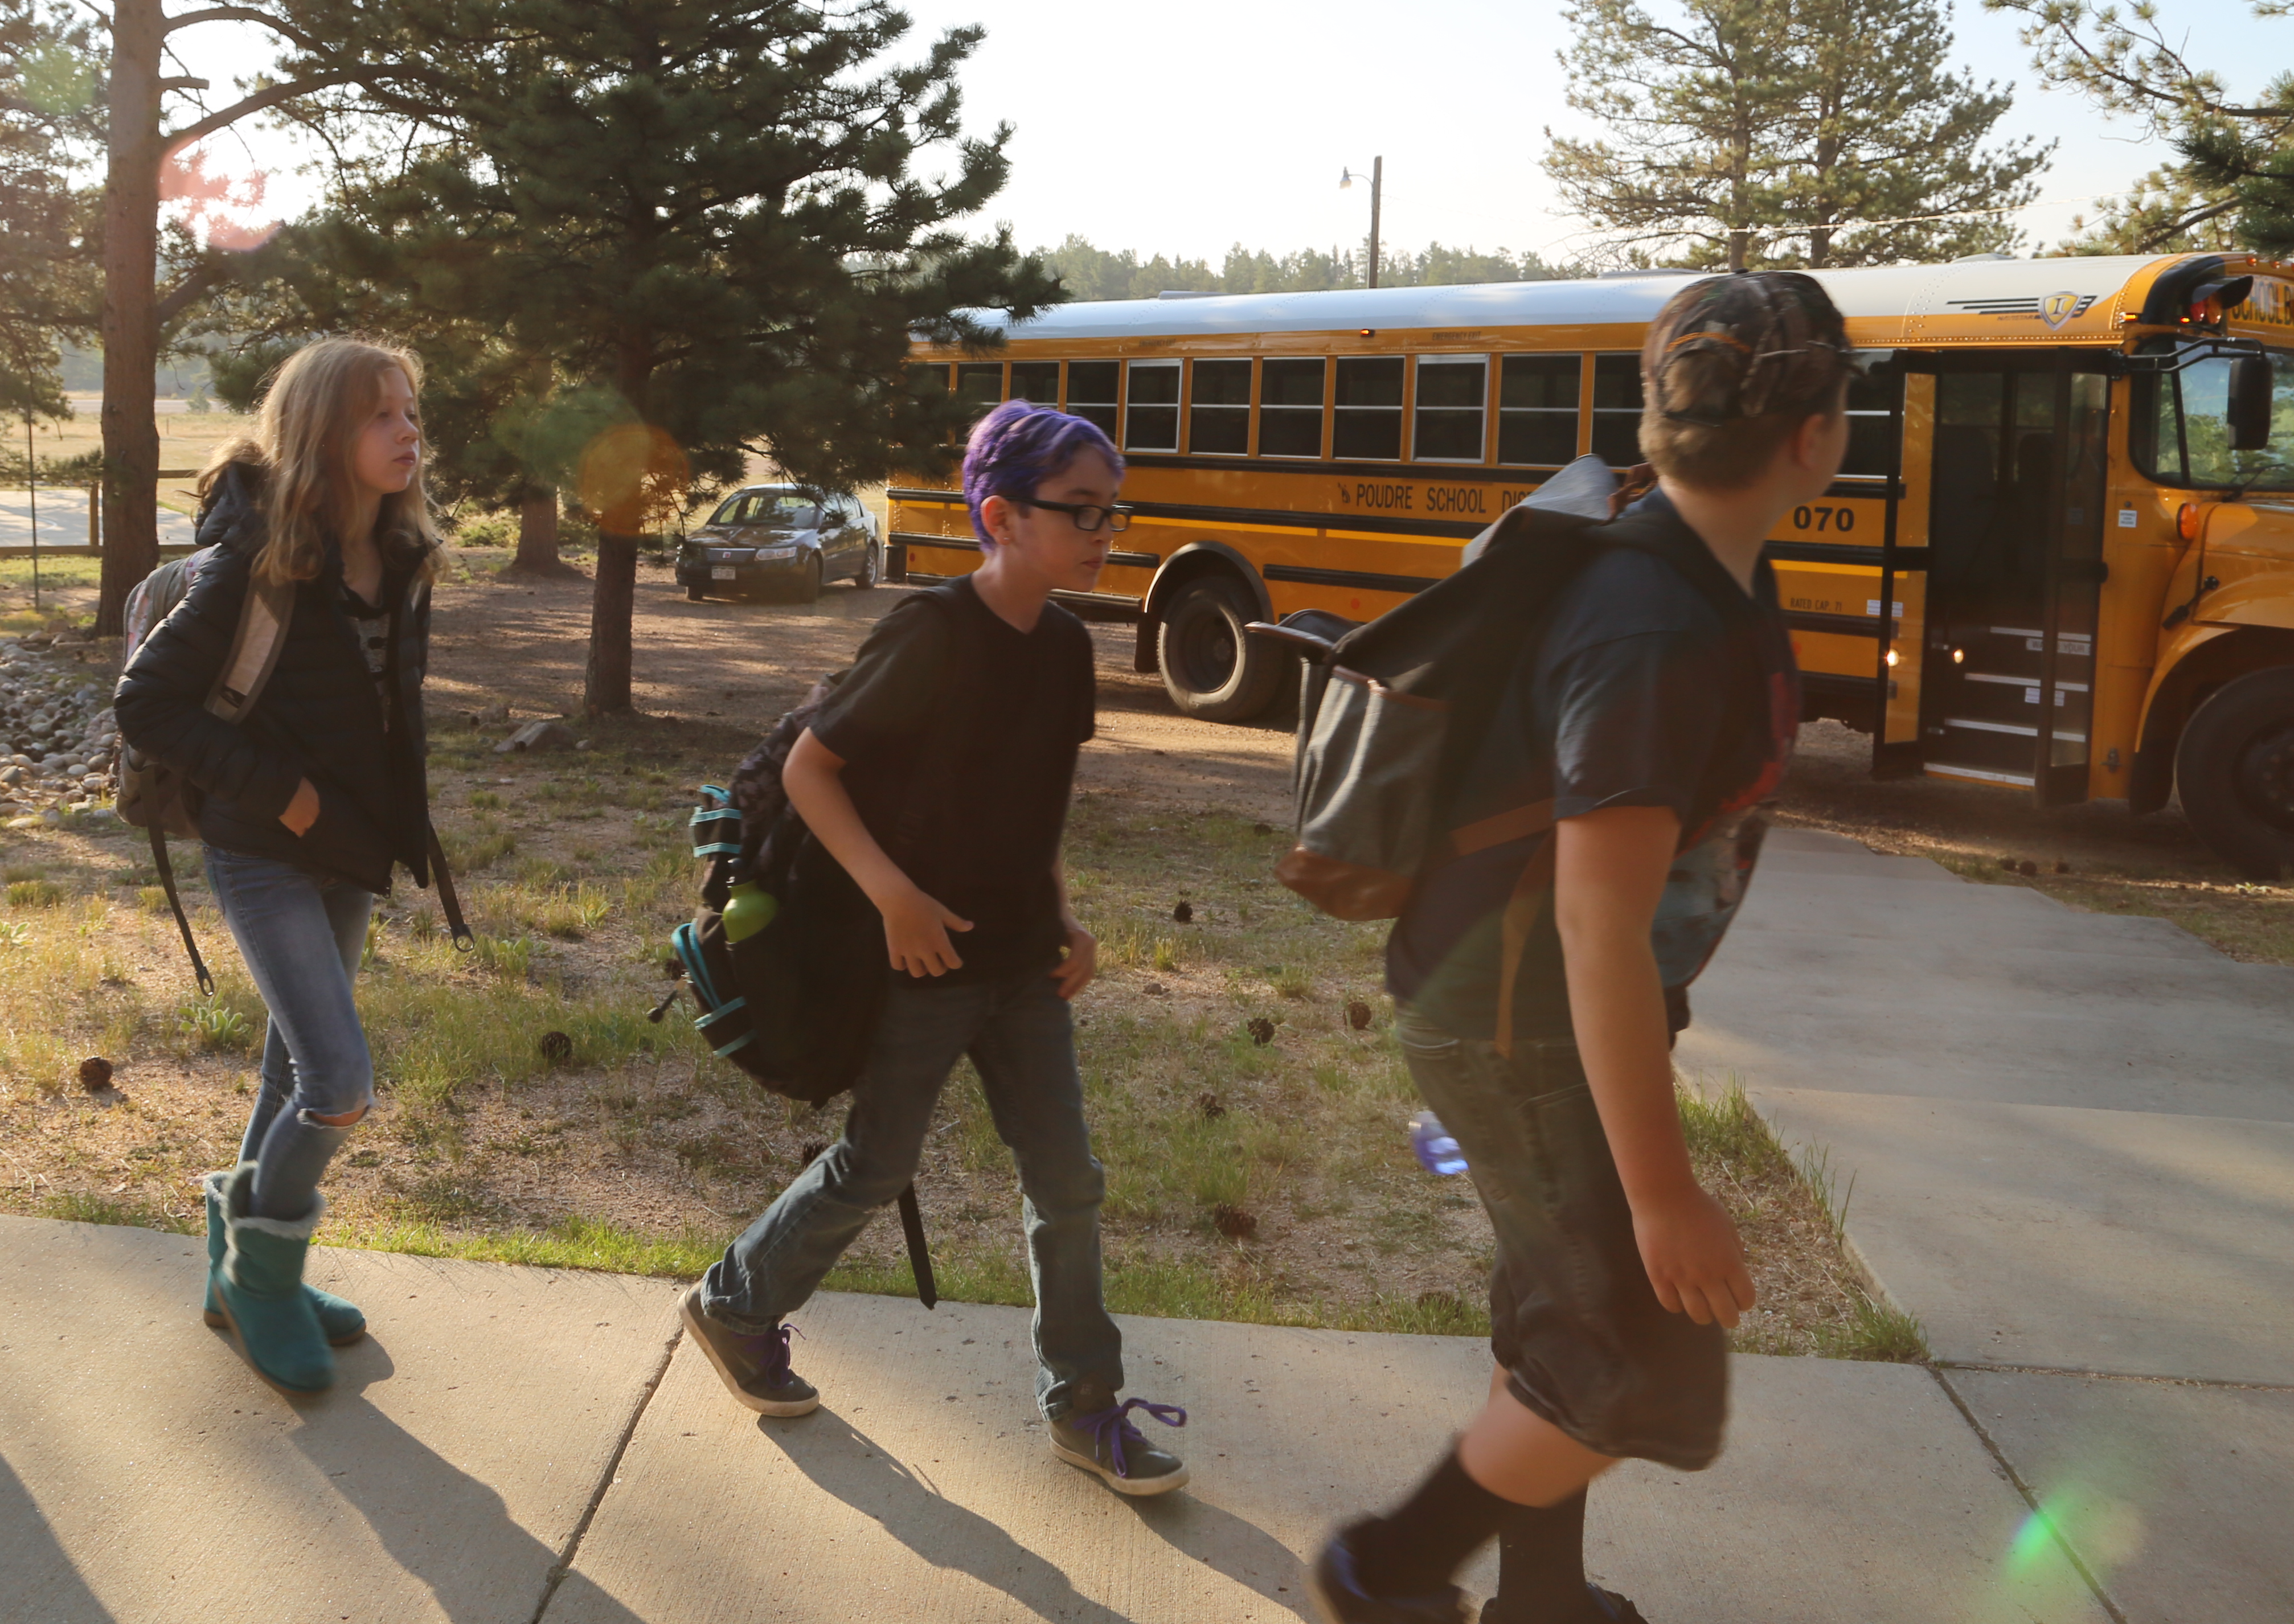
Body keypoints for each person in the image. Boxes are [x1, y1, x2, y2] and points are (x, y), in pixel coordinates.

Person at [1310, 273, 1849, 1624]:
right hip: (1518, 1011)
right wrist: (1666, 1194)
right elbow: (1593, 922)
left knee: (1569, 1321)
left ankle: (1540, 1598)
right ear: (1817, 433)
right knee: (1640, 1366)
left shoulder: (1699, 557)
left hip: (1536, 998)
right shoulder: (1652, 618)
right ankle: (1383, 1572)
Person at [675, 400, 1190, 1500]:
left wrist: (1065, 912)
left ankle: (1085, 1407)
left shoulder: (1064, 647)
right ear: (1001, 516)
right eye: (1083, 512)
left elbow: (1034, 806)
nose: (1108, 532)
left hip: (1023, 968)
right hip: (921, 965)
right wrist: (895, 898)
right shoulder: (929, 634)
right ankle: (733, 1305)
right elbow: (814, 771)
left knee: (1069, 1182)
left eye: (1114, 511)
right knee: (878, 1164)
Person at [113, 338, 441, 1395]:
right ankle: (265, 1281)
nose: (408, 432)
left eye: (410, 412)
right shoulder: (253, 560)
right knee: (339, 1085)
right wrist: (285, 796)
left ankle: (240, 1272)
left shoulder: (395, 556)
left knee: (289, 1072)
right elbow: (146, 704)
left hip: (348, 847)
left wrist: (393, 820)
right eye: (380, 416)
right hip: (265, 850)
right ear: (321, 436)